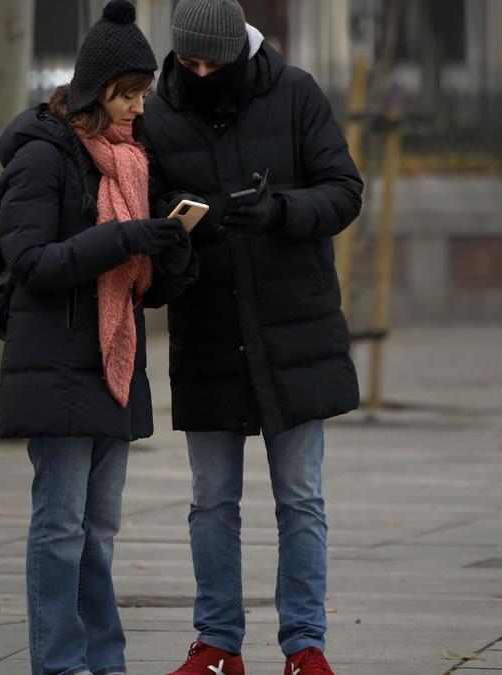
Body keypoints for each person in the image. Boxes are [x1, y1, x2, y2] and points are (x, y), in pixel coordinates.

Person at [140, 1, 365, 674]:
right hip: (207, 332)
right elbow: (147, 206)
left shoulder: (295, 93)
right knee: (211, 500)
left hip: (293, 331)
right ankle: (217, 642)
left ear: (240, 50)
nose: (203, 74)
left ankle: (305, 645)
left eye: (216, 62)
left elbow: (344, 190)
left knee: (301, 497)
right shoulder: (158, 111)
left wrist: (279, 211)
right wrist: (182, 226)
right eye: (190, 62)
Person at [0, 2, 198, 674]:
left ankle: (104, 660)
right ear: (96, 90)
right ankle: (61, 662)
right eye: (129, 94)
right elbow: (31, 262)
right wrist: (121, 239)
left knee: (100, 532)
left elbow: (142, 286)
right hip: (56, 367)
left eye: (143, 93)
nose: (140, 107)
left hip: (114, 367)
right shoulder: (41, 155)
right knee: (61, 528)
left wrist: (170, 252)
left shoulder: (132, 162)